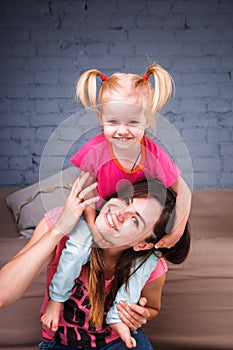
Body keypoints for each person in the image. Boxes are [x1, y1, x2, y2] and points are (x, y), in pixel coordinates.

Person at [42, 62, 192, 338]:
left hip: (131, 219)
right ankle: (56, 299)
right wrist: (93, 226)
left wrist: (178, 229)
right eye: (113, 122)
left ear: (148, 120)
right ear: (101, 119)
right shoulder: (95, 150)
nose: (122, 130)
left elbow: (184, 193)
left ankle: (117, 317)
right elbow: (82, 195)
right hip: (96, 215)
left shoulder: (154, 155)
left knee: (148, 258)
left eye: (133, 122)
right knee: (76, 248)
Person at [0, 174, 191, 349]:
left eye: (135, 220)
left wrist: (140, 315)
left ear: (142, 245)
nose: (120, 213)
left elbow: (153, 308)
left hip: (118, 342)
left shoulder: (149, 265)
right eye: (126, 200)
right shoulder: (63, 223)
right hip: (61, 343)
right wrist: (58, 230)